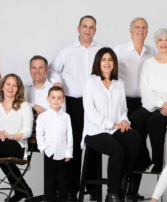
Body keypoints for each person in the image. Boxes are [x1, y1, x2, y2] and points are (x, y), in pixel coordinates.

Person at [48, 15, 104, 201]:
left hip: (95, 104)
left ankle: (94, 189)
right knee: (73, 147)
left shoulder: (100, 51)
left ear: (95, 30)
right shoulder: (66, 50)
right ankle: (71, 189)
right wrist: (58, 82)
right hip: (73, 102)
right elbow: (53, 70)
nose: (88, 30)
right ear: (78, 28)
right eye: (85, 26)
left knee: (95, 144)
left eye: (91, 27)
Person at [81, 47, 141, 202]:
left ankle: (122, 180)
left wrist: (123, 120)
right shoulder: (90, 82)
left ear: (114, 63)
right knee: (117, 149)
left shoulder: (118, 83)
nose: (107, 63)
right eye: (103, 60)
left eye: (110, 59)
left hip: (114, 129)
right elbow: (89, 110)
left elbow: (123, 108)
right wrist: (111, 124)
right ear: (98, 62)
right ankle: (112, 194)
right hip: (94, 131)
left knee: (134, 137)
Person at [131, 28, 167, 174]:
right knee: (134, 119)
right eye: (160, 40)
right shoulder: (149, 63)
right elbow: (146, 89)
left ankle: (158, 162)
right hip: (154, 104)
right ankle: (144, 157)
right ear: (156, 43)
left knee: (155, 120)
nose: (163, 43)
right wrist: (161, 103)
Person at [113, 17, 156, 201]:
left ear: (147, 32)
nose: (140, 30)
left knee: (139, 142)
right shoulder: (119, 50)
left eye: (144, 28)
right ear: (130, 30)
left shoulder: (153, 52)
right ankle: (121, 185)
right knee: (126, 142)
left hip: (146, 104)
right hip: (124, 103)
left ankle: (132, 190)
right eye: (137, 27)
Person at [0, 74, 34, 202]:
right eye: (8, 84)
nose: (10, 87)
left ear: (18, 89)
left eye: (14, 85)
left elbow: (28, 132)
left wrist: (9, 135)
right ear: (2, 87)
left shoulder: (25, 106)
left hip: (18, 147)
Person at [36, 86, 73, 202]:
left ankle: (62, 199)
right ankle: (49, 199)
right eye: (53, 97)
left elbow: (69, 135)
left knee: (62, 179)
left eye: (59, 98)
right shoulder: (43, 117)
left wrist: (69, 152)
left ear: (63, 100)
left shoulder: (66, 117)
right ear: (48, 99)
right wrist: (43, 149)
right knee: (49, 180)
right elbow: (39, 135)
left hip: (62, 153)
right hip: (49, 153)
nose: (56, 100)